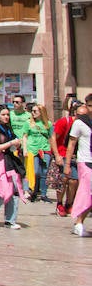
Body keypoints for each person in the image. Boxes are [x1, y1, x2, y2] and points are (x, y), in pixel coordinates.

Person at [0, 106, 26, 229]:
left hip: (9, 161)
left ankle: (10, 220)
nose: (6, 117)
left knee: (13, 189)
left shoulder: (8, 129)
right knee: (3, 189)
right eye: (3, 114)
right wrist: (10, 143)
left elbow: (12, 146)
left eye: (8, 114)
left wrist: (16, 144)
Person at [63, 99, 91, 236]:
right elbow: (71, 144)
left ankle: (79, 222)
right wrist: (67, 165)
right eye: (90, 105)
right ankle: (79, 222)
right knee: (88, 192)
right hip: (85, 161)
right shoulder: (79, 123)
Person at [53, 98, 80, 217]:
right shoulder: (64, 122)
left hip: (77, 155)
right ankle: (59, 203)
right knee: (63, 180)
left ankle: (69, 203)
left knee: (74, 180)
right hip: (63, 153)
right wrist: (57, 155)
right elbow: (53, 138)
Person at [26, 104, 53, 202]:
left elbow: (52, 137)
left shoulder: (48, 124)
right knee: (36, 171)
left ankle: (43, 194)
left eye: (35, 111)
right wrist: (25, 149)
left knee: (44, 172)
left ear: (41, 112)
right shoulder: (28, 123)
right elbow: (25, 136)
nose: (33, 113)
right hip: (33, 150)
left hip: (45, 149)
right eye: (32, 111)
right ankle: (34, 190)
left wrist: (54, 151)